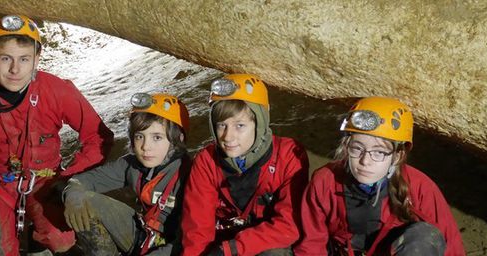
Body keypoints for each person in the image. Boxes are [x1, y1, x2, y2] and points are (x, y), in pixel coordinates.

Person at [0, 15, 114, 255]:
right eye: (5, 58)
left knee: (61, 239)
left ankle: (39, 241)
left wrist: (71, 181)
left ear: (37, 59)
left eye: (24, 59)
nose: (15, 69)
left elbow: (98, 138)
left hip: (47, 182)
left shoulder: (56, 90)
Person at [295, 96, 465, 255]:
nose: (365, 161)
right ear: (346, 147)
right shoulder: (325, 182)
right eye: (357, 148)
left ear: (397, 155)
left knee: (424, 236)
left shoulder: (420, 188)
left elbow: (451, 248)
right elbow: (311, 245)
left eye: (379, 152)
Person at [181, 74, 310, 255]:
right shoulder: (206, 161)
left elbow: (289, 224)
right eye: (221, 125)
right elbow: (196, 227)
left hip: (265, 241)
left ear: (259, 122)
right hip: (225, 241)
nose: (228, 137)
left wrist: (231, 249)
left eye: (239, 125)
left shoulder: (289, 155)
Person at [59, 93, 190, 255]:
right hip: (145, 234)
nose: (145, 147)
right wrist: (73, 194)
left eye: (157, 137)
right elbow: (83, 180)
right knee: (84, 202)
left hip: (175, 247)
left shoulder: (190, 176)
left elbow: (193, 239)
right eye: (139, 136)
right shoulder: (132, 165)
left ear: (179, 138)